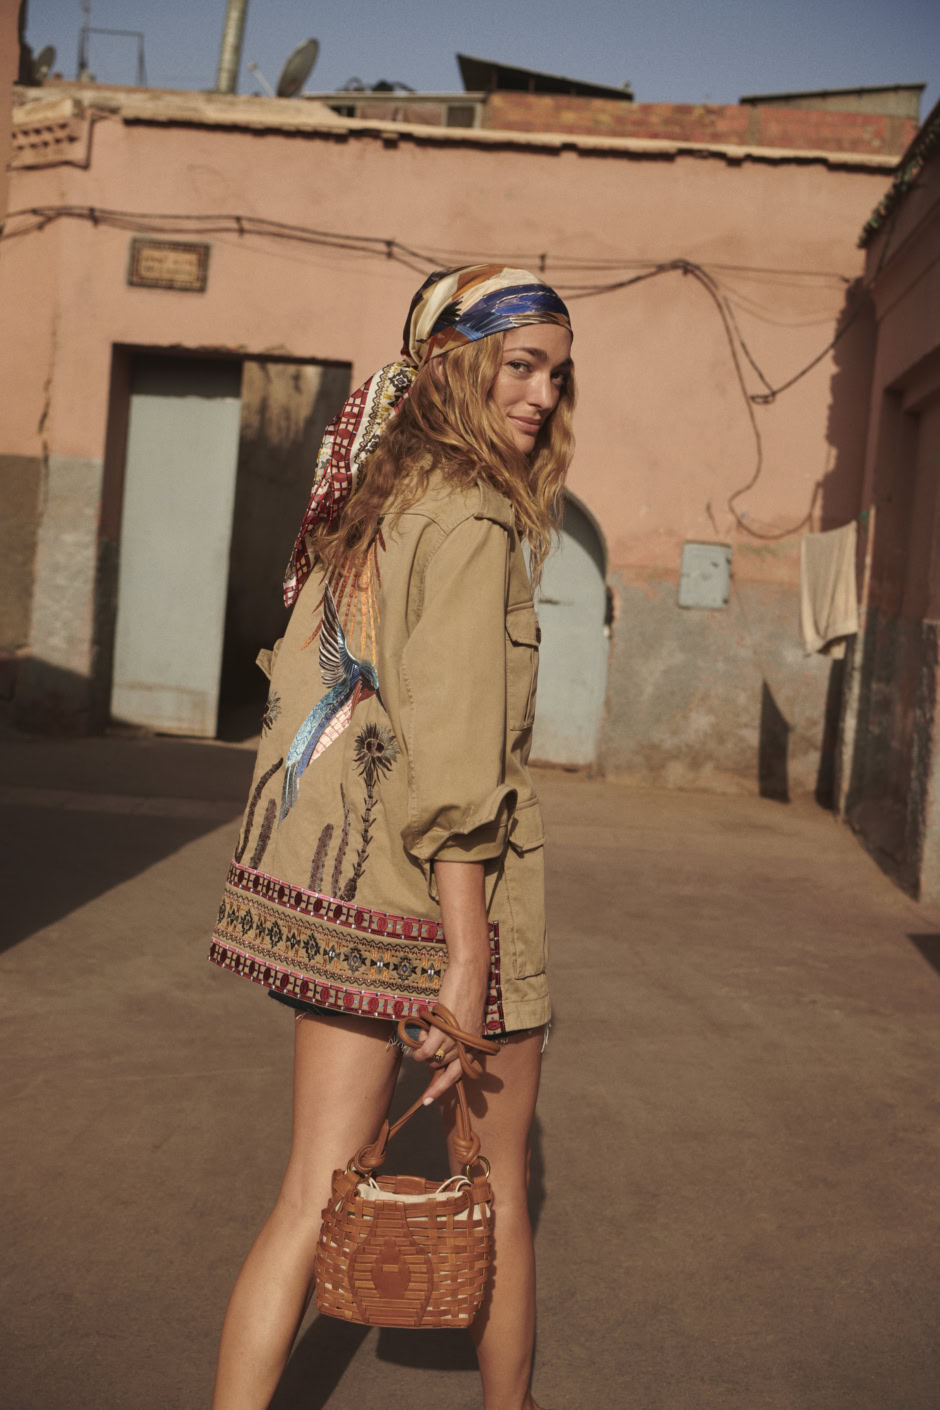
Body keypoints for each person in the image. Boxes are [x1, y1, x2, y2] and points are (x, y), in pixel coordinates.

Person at [208, 263, 576, 1410]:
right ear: (456, 365)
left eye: (558, 376)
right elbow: (459, 760)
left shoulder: (371, 500)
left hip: (348, 902)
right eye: (522, 366)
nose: (543, 395)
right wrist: (466, 959)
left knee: (304, 1197)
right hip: (461, 908)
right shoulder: (469, 513)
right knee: (498, 1194)